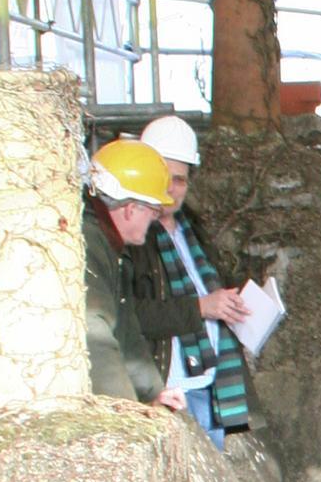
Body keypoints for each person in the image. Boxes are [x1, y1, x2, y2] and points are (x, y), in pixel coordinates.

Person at [130, 114, 253, 442]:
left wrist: (227, 305)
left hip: (212, 386)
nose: (171, 189)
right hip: (172, 391)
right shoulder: (132, 235)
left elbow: (206, 290)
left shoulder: (191, 227)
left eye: (180, 180)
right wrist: (201, 308)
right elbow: (132, 315)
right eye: (164, 177)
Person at [84, 140, 182, 409]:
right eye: (153, 211)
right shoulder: (88, 244)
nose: (154, 220)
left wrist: (153, 393)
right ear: (131, 208)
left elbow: (126, 330)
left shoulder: (111, 246)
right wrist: (127, 409)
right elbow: (94, 330)